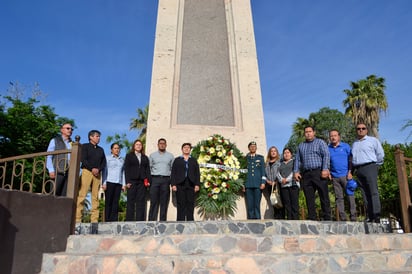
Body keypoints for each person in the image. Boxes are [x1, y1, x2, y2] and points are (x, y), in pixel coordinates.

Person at [294, 126, 331, 221]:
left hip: (318, 172)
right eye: (306, 132)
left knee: (323, 195)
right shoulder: (301, 145)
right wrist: (296, 171)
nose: (308, 133)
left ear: (314, 132)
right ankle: (312, 218)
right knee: (309, 197)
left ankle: (327, 217)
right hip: (306, 174)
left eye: (310, 131)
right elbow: (297, 159)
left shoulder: (320, 142)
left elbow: (326, 155)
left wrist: (325, 169)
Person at [351, 123, 384, 223]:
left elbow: (380, 154)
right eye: (358, 128)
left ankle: (376, 214)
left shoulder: (373, 141)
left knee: (373, 191)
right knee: (364, 193)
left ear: (366, 130)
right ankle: (370, 215)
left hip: (370, 167)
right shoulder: (355, 143)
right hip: (359, 169)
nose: (360, 130)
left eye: (363, 128)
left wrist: (375, 166)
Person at [76, 130, 106, 224]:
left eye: (99, 136)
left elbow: (103, 162)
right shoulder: (85, 146)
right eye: (97, 136)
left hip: (97, 174)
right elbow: (83, 159)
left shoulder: (101, 149)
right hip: (87, 172)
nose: (98, 138)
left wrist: (98, 169)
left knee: (95, 197)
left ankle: (94, 221)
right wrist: (92, 168)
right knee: (82, 195)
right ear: (91, 137)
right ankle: (77, 220)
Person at [328, 129, 357, 221]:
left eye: (335, 135)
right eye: (331, 136)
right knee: (339, 198)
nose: (333, 137)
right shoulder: (328, 148)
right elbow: (326, 161)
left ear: (339, 136)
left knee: (350, 196)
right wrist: (328, 172)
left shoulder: (345, 146)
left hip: (346, 176)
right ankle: (343, 217)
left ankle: (353, 217)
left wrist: (350, 172)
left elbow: (351, 159)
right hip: (335, 177)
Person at [170, 143, 200, 221]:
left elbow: (197, 173)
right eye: (185, 147)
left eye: (188, 147)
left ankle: (190, 220)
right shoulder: (177, 160)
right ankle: (180, 221)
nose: (186, 149)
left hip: (191, 184)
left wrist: (197, 184)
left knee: (190, 203)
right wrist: (173, 184)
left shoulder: (193, 160)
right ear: (182, 149)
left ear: (190, 149)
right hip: (180, 184)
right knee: (181, 203)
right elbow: (173, 172)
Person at [124, 139, 151, 221]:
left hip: (142, 182)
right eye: (137, 144)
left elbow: (147, 170)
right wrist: (127, 181)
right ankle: (129, 220)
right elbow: (126, 169)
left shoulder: (145, 157)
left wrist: (148, 181)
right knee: (130, 201)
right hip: (132, 181)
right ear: (134, 146)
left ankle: (140, 220)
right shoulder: (129, 156)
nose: (139, 146)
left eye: (140, 145)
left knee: (141, 201)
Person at [148, 138, 174, 221]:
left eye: (163, 143)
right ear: (158, 145)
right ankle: (151, 221)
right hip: (154, 179)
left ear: (166, 145)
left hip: (166, 180)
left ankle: (163, 221)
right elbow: (149, 168)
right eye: (160, 143)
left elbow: (173, 169)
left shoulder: (170, 156)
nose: (162, 145)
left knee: (164, 202)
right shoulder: (152, 155)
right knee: (154, 201)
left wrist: (171, 181)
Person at [46, 123, 73, 196]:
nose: (70, 130)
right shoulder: (55, 140)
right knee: (53, 194)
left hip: (68, 173)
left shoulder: (72, 144)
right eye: (68, 128)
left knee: (64, 197)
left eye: (71, 129)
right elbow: (49, 156)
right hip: (57, 171)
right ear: (62, 130)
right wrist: (51, 170)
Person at [102, 143, 125, 222]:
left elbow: (123, 172)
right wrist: (104, 182)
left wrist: (123, 184)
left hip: (118, 183)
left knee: (116, 202)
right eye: (115, 148)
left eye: (118, 148)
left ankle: (114, 220)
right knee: (109, 202)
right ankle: (107, 220)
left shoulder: (122, 160)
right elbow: (104, 171)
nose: (117, 150)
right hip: (109, 181)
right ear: (111, 150)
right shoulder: (107, 158)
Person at [243, 141, 266, 219]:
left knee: (257, 205)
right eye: (251, 146)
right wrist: (242, 184)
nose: (253, 148)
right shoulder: (245, 159)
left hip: (258, 185)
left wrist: (263, 182)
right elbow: (243, 173)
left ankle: (258, 221)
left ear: (256, 148)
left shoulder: (260, 158)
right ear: (249, 148)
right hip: (248, 185)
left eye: (254, 146)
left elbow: (263, 171)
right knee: (250, 205)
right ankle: (250, 222)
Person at [277, 148, 300, 220]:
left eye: (288, 152)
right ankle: (289, 219)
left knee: (294, 204)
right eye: (285, 153)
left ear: (291, 154)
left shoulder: (294, 162)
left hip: (293, 185)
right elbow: (278, 173)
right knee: (287, 204)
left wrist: (287, 179)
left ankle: (295, 220)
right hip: (284, 186)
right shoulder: (281, 164)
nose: (286, 154)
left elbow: (294, 171)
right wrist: (281, 179)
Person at [264, 146, 284, 219]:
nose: (273, 152)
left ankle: (281, 218)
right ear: (269, 153)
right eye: (271, 151)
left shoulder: (280, 162)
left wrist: (276, 181)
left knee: (280, 202)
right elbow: (264, 175)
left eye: (274, 151)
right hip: (269, 185)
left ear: (277, 153)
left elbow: (281, 173)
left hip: (278, 185)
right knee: (273, 202)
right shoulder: (266, 164)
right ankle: (276, 218)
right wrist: (267, 181)